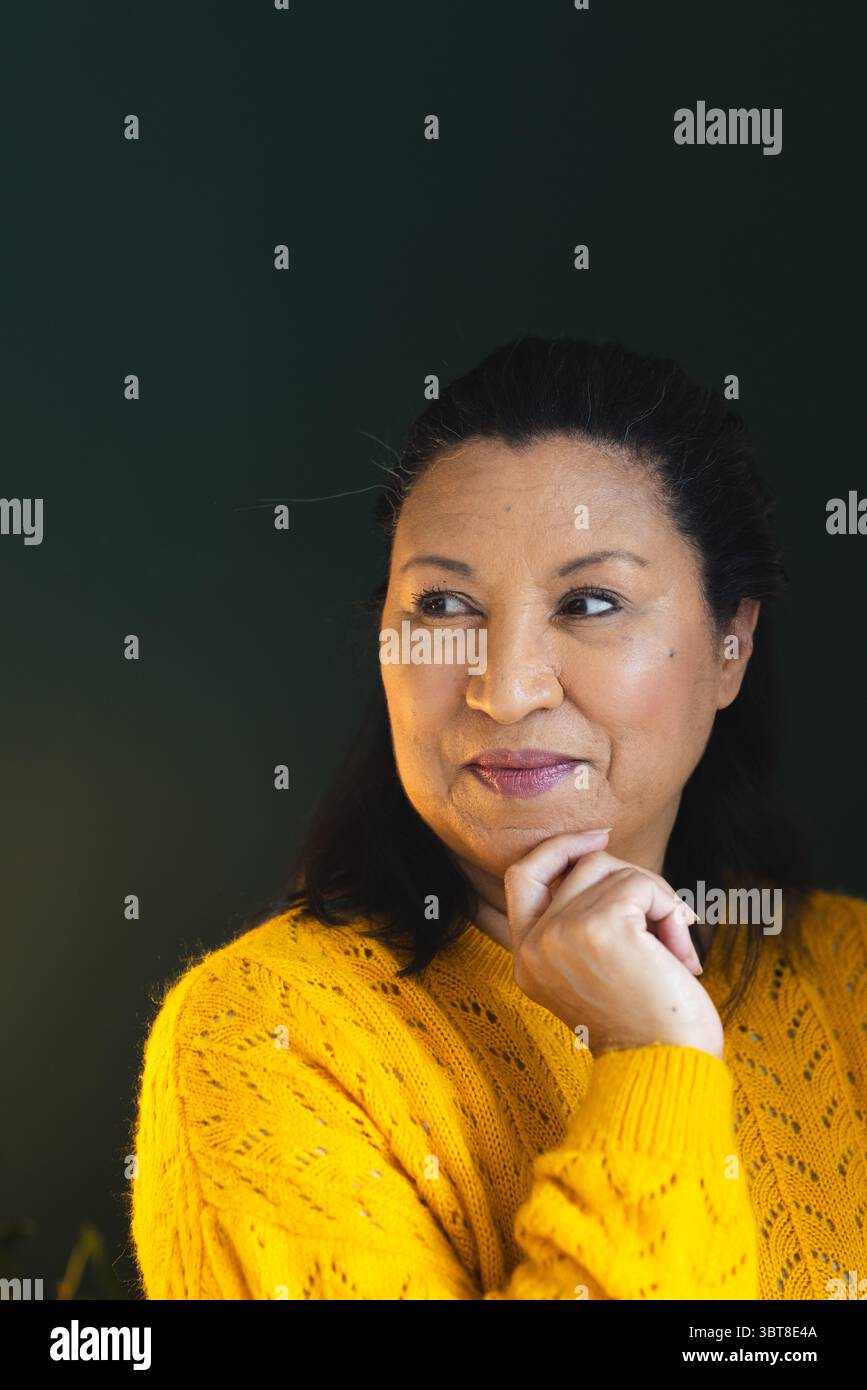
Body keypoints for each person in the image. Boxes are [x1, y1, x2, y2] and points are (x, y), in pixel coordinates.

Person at [128, 336, 867, 1300]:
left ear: (730, 646)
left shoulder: (844, 976)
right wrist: (649, 1062)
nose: (506, 688)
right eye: (442, 603)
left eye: (591, 601)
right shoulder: (262, 1040)